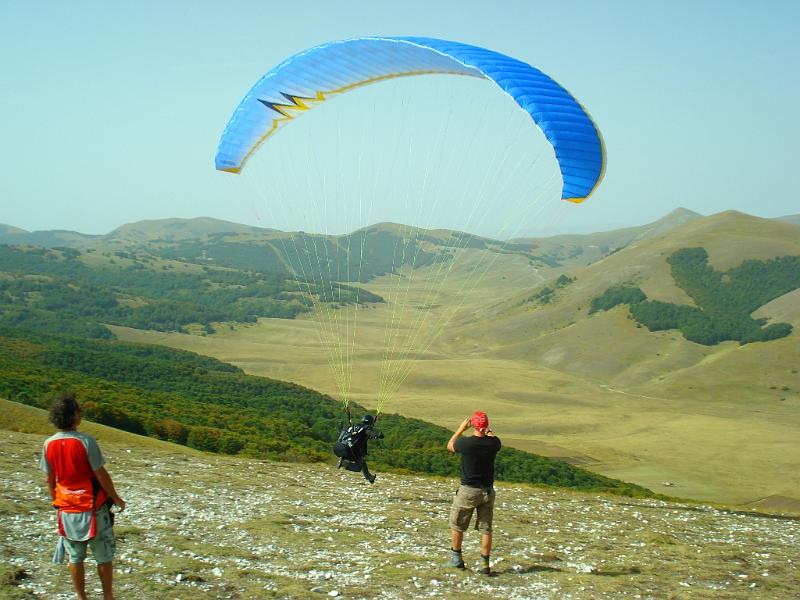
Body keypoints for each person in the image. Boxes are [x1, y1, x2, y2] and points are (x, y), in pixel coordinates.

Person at [40, 392, 126, 600]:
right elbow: (100, 474)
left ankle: (81, 597)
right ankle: (108, 597)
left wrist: (57, 501)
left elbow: (50, 479)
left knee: (75, 557)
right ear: (73, 416)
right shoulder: (86, 441)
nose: (82, 413)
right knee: (103, 557)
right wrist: (115, 497)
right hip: (92, 507)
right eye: (79, 410)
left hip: (67, 509)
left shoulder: (48, 444)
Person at [446, 411, 501, 575]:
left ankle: (456, 560)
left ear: (474, 426)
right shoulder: (494, 444)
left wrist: (460, 429)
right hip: (488, 491)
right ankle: (484, 564)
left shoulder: (466, 443)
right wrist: (488, 431)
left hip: (469, 491)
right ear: (486, 426)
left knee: (457, 524)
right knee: (486, 528)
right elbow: (493, 438)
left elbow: (450, 446)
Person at [333, 414, 384, 484]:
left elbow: (341, 436)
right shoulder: (366, 428)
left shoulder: (352, 426)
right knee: (358, 468)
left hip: (337, 447)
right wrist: (378, 435)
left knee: (361, 460)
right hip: (349, 450)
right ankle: (343, 463)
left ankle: (369, 477)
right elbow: (370, 433)